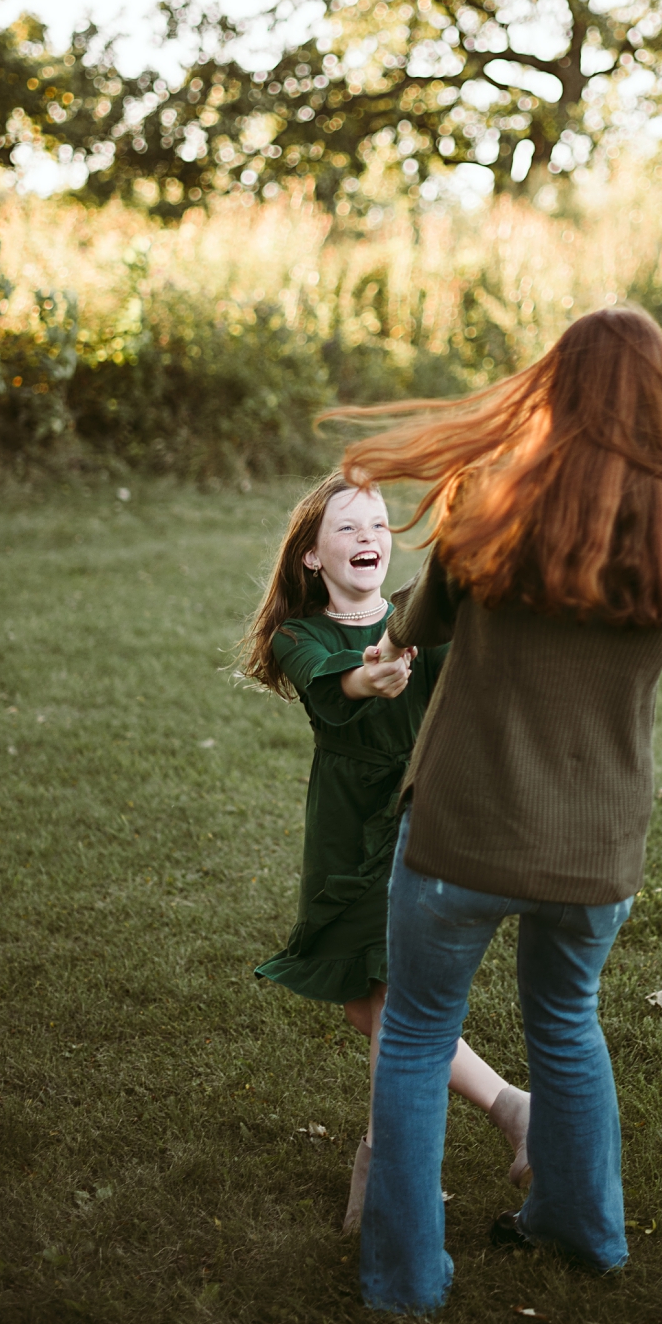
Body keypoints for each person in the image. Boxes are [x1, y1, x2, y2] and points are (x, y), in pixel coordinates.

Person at [327, 304, 662, 1313]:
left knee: (418, 1035)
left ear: (553, 387)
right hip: (596, 852)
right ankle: (583, 1230)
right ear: (660, 402)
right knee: (567, 1020)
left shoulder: (489, 515)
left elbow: (413, 630)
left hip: (463, 829)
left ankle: (403, 1282)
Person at [241, 472, 530, 1233]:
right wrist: (376, 671)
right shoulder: (297, 636)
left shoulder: (416, 614)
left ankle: (393, 1172)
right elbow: (355, 680)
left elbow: (472, 609)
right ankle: (512, 1106)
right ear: (311, 557)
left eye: (377, 524)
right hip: (342, 827)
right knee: (363, 1008)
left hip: (415, 816)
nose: (367, 536)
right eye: (346, 528)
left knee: (393, 1003)